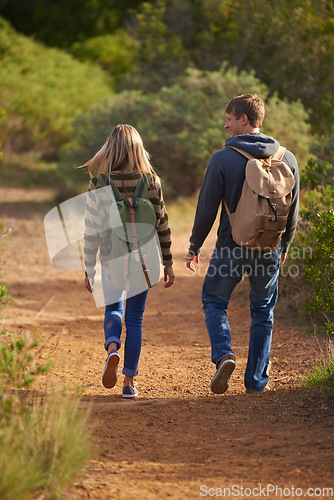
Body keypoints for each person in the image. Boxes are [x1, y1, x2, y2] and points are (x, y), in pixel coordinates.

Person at [185, 94, 299, 394]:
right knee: (263, 311)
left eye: (229, 119)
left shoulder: (222, 159)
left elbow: (207, 208)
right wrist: (285, 245)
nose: (226, 125)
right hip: (269, 247)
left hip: (230, 247)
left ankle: (224, 354)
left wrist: (195, 246)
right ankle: (256, 382)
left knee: (213, 301)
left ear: (244, 119)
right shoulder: (288, 158)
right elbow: (294, 209)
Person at [83, 124, 175, 398]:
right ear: (138, 148)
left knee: (113, 308)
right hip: (144, 260)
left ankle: (112, 348)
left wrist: (88, 267)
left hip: (112, 257)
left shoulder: (100, 182)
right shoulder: (151, 181)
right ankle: (129, 383)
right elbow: (162, 225)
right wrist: (168, 263)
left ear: (109, 149)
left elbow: (92, 229)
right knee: (135, 319)